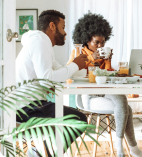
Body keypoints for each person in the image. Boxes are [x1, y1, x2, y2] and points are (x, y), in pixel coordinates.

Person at [65, 12, 142, 157]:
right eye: (96, 42)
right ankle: (128, 149)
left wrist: (107, 62)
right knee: (127, 109)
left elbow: (107, 78)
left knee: (122, 100)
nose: (100, 45)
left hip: (105, 91)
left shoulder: (103, 54)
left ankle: (123, 147)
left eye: (103, 42)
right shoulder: (77, 53)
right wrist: (90, 58)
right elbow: (69, 76)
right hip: (88, 97)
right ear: (87, 40)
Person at [15, 9, 89, 157]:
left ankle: (39, 152)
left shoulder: (41, 42)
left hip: (28, 104)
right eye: (63, 27)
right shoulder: (40, 41)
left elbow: (57, 71)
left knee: (73, 118)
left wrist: (76, 65)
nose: (65, 33)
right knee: (78, 119)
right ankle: (44, 153)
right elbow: (48, 77)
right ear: (52, 26)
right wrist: (74, 64)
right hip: (25, 108)